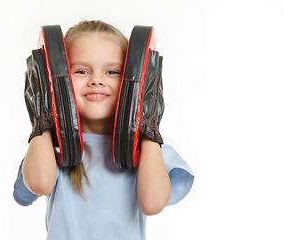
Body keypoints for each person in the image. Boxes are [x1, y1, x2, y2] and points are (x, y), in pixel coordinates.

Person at [13, 20, 194, 240]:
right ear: (58, 79)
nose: (97, 80)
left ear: (135, 80)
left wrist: (147, 124)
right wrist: (44, 115)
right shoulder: (51, 148)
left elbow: (152, 203)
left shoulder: (148, 151)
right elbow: (40, 183)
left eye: (112, 72)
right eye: (81, 71)